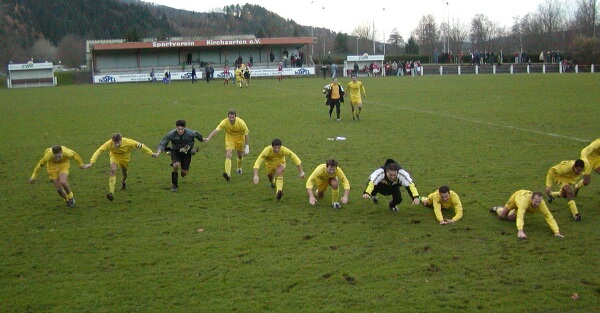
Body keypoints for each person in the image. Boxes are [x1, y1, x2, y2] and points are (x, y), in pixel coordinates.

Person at [83, 133, 155, 201]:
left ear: (121, 140)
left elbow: (141, 145)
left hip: (125, 159)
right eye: (115, 143)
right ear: (112, 141)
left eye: (118, 143)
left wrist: (151, 153)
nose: (117, 145)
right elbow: (99, 151)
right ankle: (111, 193)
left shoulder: (129, 142)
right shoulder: (109, 143)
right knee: (113, 170)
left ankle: (123, 182)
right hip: (115, 157)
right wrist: (91, 162)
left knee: (125, 173)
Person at [153, 120, 204, 192]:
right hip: (175, 151)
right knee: (176, 165)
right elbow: (163, 144)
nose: (180, 131)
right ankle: (174, 186)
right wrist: (158, 153)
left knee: (184, 173)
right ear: (176, 128)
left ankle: (186, 165)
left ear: (184, 128)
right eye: (178, 129)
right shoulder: (171, 134)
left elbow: (198, 136)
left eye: (182, 129)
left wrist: (202, 139)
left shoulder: (190, 133)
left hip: (186, 153)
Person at [490, 190, 564, 239]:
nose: (537, 204)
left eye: (539, 202)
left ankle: (513, 211)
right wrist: (520, 231)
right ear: (531, 199)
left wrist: (556, 232)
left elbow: (549, 217)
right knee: (502, 215)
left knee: (511, 218)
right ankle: (498, 208)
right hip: (516, 198)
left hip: (522, 207)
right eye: (536, 201)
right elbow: (520, 216)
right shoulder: (524, 202)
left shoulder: (542, 204)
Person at [204, 110, 250, 182]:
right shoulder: (224, 122)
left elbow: (246, 134)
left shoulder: (241, 123)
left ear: (235, 116)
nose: (231, 119)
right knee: (228, 154)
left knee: (240, 156)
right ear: (227, 117)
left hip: (240, 139)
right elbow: (216, 130)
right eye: (230, 117)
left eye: (233, 117)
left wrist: (247, 146)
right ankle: (228, 174)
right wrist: (208, 138)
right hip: (230, 139)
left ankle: (239, 168)